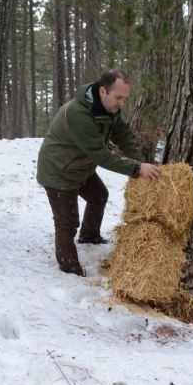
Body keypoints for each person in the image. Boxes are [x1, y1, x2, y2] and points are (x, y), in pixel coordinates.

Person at [37, 69, 162, 277]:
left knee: (99, 196)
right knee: (67, 223)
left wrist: (140, 162)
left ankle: (89, 235)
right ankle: (69, 266)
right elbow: (101, 155)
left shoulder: (110, 109)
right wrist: (137, 169)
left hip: (80, 166)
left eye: (124, 98)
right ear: (103, 91)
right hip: (59, 171)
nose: (121, 103)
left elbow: (124, 135)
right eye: (118, 97)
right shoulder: (78, 113)